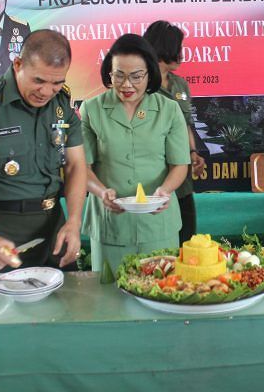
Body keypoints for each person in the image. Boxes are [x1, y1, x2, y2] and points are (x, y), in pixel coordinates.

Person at [0, 29, 86, 272]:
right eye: (38, 81)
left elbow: (75, 165)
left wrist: (73, 221)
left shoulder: (61, 104)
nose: (46, 92)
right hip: (1, 230)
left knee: (67, 304)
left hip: (55, 228)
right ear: (18, 64)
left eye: (57, 83)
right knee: (5, 308)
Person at [80, 34, 190, 273]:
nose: (126, 84)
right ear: (109, 72)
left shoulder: (168, 109)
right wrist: (101, 192)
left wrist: (165, 190)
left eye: (136, 76)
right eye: (118, 75)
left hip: (157, 222)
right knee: (110, 298)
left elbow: (180, 164)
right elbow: (82, 168)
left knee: (162, 291)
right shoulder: (91, 109)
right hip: (111, 224)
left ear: (150, 73)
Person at [143, 20, 205, 243]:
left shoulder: (180, 85)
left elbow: (185, 123)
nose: (181, 55)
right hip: (154, 174)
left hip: (182, 176)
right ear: (164, 48)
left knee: (187, 236)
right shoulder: (141, 85)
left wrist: (193, 152)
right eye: (178, 48)